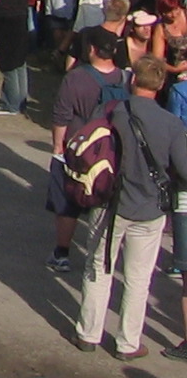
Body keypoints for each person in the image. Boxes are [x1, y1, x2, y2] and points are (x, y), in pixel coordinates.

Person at [77, 54, 187, 358]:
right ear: (161, 84)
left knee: (98, 268)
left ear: (132, 79)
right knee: (138, 280)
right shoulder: (171, 123)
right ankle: (127, 344)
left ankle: (88, 334)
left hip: (108, 204)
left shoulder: (110, 110)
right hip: (149, 209)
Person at [48, 27, 129, 272]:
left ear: (91, 49)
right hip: (112, 150)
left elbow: (61, 116)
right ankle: (101, 255)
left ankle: (62, 253)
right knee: (104, 202)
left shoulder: (75, 77)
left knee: (67, 203)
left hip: (78, 147)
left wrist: (57, 148)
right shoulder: (126, 79)